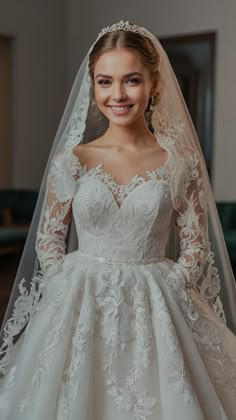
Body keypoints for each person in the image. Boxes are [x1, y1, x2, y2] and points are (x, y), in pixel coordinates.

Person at [0, 20, 236, 420]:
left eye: (131, 80)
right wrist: (65, 284)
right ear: (92, 87)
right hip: (80, 301)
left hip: (158, 301)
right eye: (105, 81)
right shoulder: (72, 161)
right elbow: (49, 241)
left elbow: (196, 244)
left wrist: (169, 285)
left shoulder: (180, 160)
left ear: (153, 83)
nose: (118, 94)